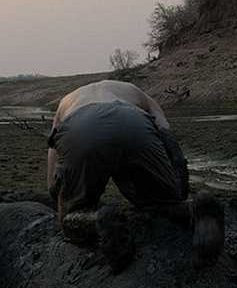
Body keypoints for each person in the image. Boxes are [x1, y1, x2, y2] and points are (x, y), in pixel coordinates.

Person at [47, 80, 223, 267]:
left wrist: (62, 200)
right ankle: (197, 209)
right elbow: (170, 142)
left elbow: (53, 162)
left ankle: (98, 219)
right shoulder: (134, 92)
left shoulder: (67, 101)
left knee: (70, 221)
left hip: (81, 126)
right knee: (159, 204)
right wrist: (178, 193)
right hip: (132, 119)